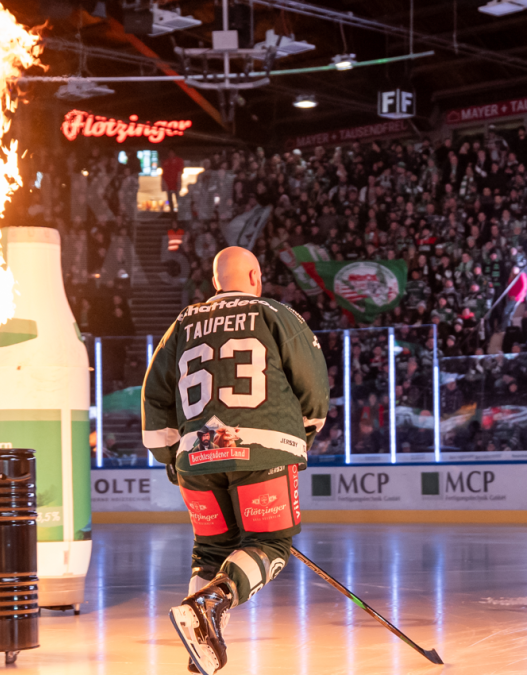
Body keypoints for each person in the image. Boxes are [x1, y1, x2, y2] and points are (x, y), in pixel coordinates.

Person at [142, 246, 329, 675]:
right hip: (264, 447)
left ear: (215, 283)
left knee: (210, 549)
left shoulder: (181, 325)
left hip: (196, 455)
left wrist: (173, 458)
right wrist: (300, 440)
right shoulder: (278, 315)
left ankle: (200, 643)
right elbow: (313, 388)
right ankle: (211, 603)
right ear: (256, 277)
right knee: (270, 544)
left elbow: (154, 398)